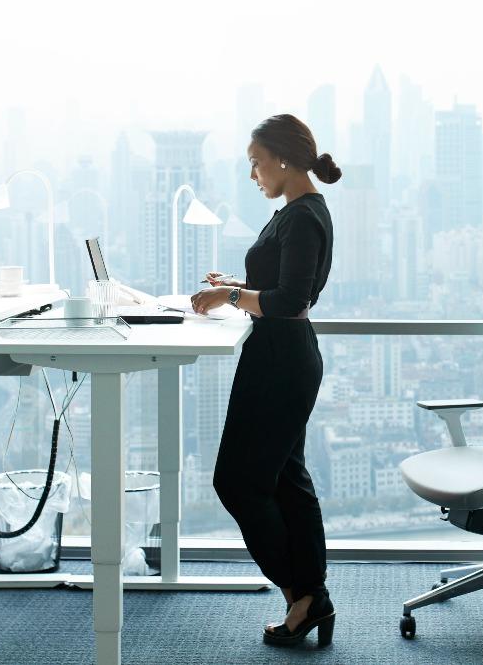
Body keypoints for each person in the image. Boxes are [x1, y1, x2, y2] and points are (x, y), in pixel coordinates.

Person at [190, 113, 342, 647]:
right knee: (287, 481)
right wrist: (235, 285)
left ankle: (303, 595)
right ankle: (310, 595)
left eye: (255, 162)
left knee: (236, 482)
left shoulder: (303, 217)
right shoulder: (297, 212)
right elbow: (278, 285)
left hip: (282, 360)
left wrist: (232, 296)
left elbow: (291, 300)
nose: (253, 174)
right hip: (278, 355)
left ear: (281, 157)